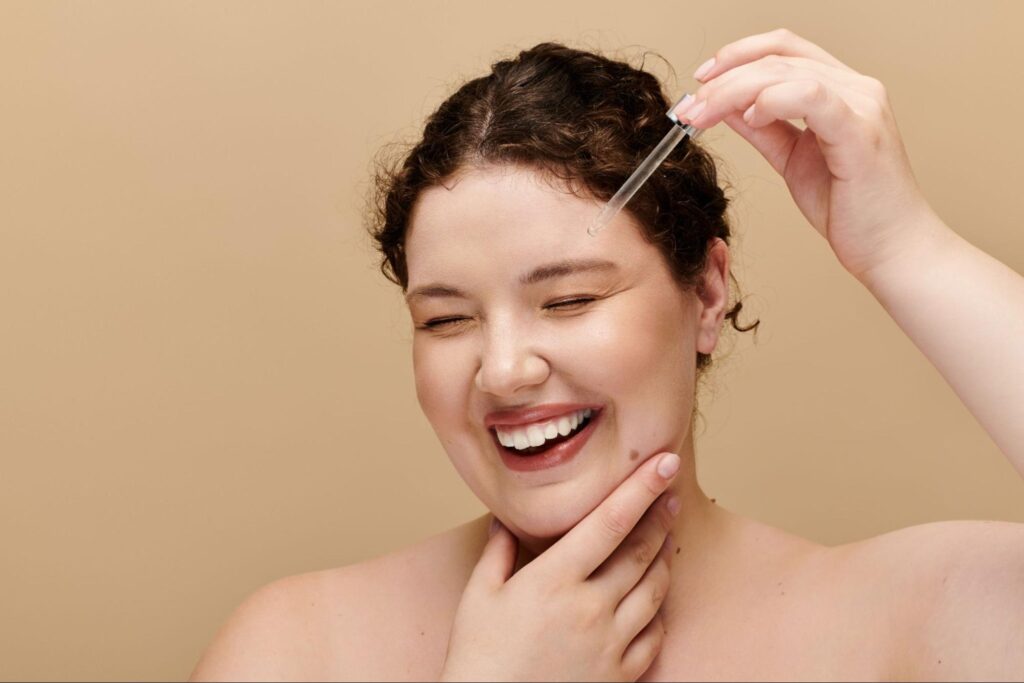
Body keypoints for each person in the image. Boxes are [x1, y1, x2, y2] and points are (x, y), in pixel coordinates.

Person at [189, 29, 1024, 681]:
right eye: (446, 319)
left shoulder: (915, 619)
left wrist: (907, 248)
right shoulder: (298, 646)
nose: (503, 370)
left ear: (706, 294)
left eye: (570, 300)